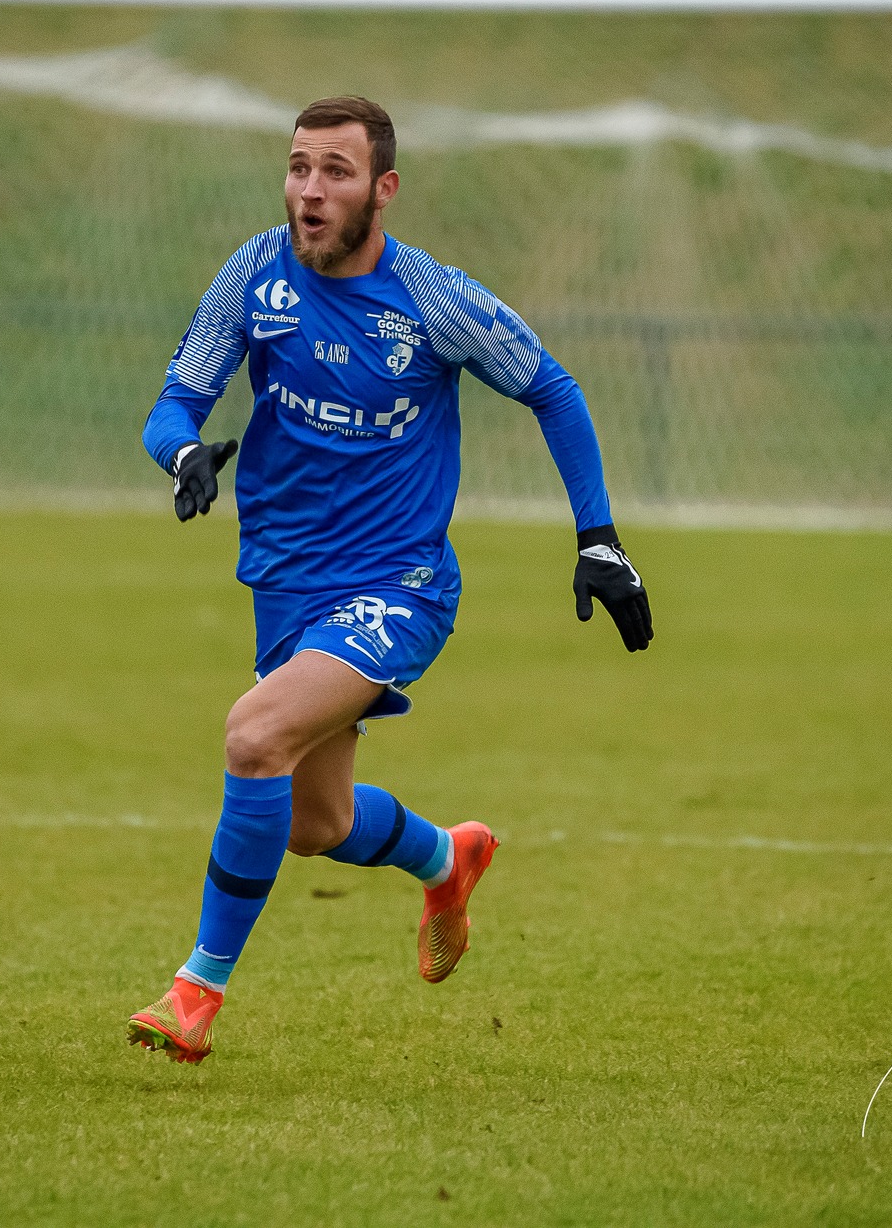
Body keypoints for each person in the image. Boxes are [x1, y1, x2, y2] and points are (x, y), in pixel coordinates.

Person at [128, 96, 652, 1063]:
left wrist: (599, 536)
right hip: (286, 580)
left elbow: (552, 386)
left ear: (383, 189)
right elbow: (174, 401)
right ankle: (447, 857)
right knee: (313, 822)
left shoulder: (435, 298)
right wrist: (185, 454)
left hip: (398, 584)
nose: (309, 190)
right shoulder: (253, 275)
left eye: (334, 170)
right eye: (297, 167)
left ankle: (194, 992)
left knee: (253, 735)